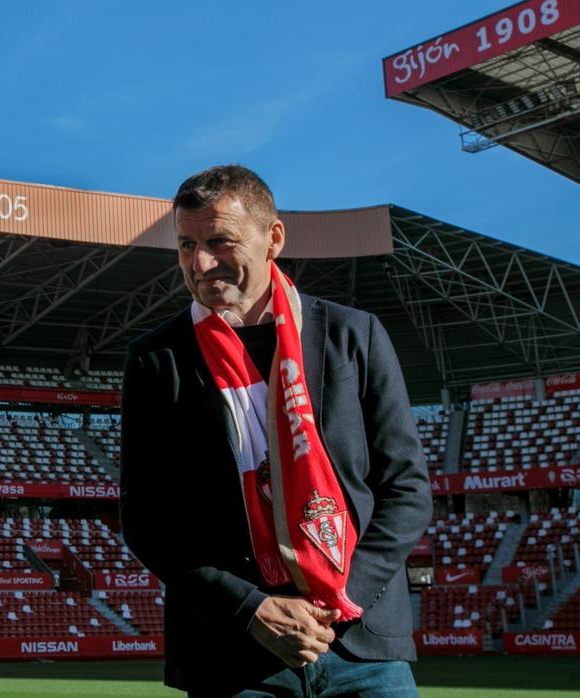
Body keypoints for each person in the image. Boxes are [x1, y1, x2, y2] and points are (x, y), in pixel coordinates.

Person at [119, 165, 431, 697]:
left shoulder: (353, 335)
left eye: (219, 241)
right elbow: (148, 520)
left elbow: (407, 490)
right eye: (186, 244)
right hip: (232, 651)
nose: (200, 262)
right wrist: (253, 608)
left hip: (363, 647)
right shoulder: (156, 359)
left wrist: (337, 598)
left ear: (274, 239)